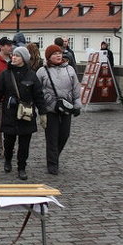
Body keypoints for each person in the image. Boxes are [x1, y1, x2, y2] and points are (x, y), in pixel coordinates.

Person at [0, 46, 46, 180]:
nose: (13, 57)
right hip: (10, 113)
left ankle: (22, 167)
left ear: (24, 59)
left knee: (24, 145)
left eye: (17, 56)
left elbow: (38, 95)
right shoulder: (5, 74)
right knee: (8, 142)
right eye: (13, 55)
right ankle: (8, 160)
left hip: (26, 115)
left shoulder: (31, 75)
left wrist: (43, 113)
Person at [37, 44, 82, 175]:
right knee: (52, 137)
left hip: (67, 107)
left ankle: (54, 156)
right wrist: (46, 103)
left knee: (64, 135)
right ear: (49, 57)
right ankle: (52, 164)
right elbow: (38, 91)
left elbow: (75, 87)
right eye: (55, 54)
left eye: (59, 53)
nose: (58, 55)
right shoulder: (42, 71)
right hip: (50, 109)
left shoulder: (69, 69)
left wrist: (77, 104)